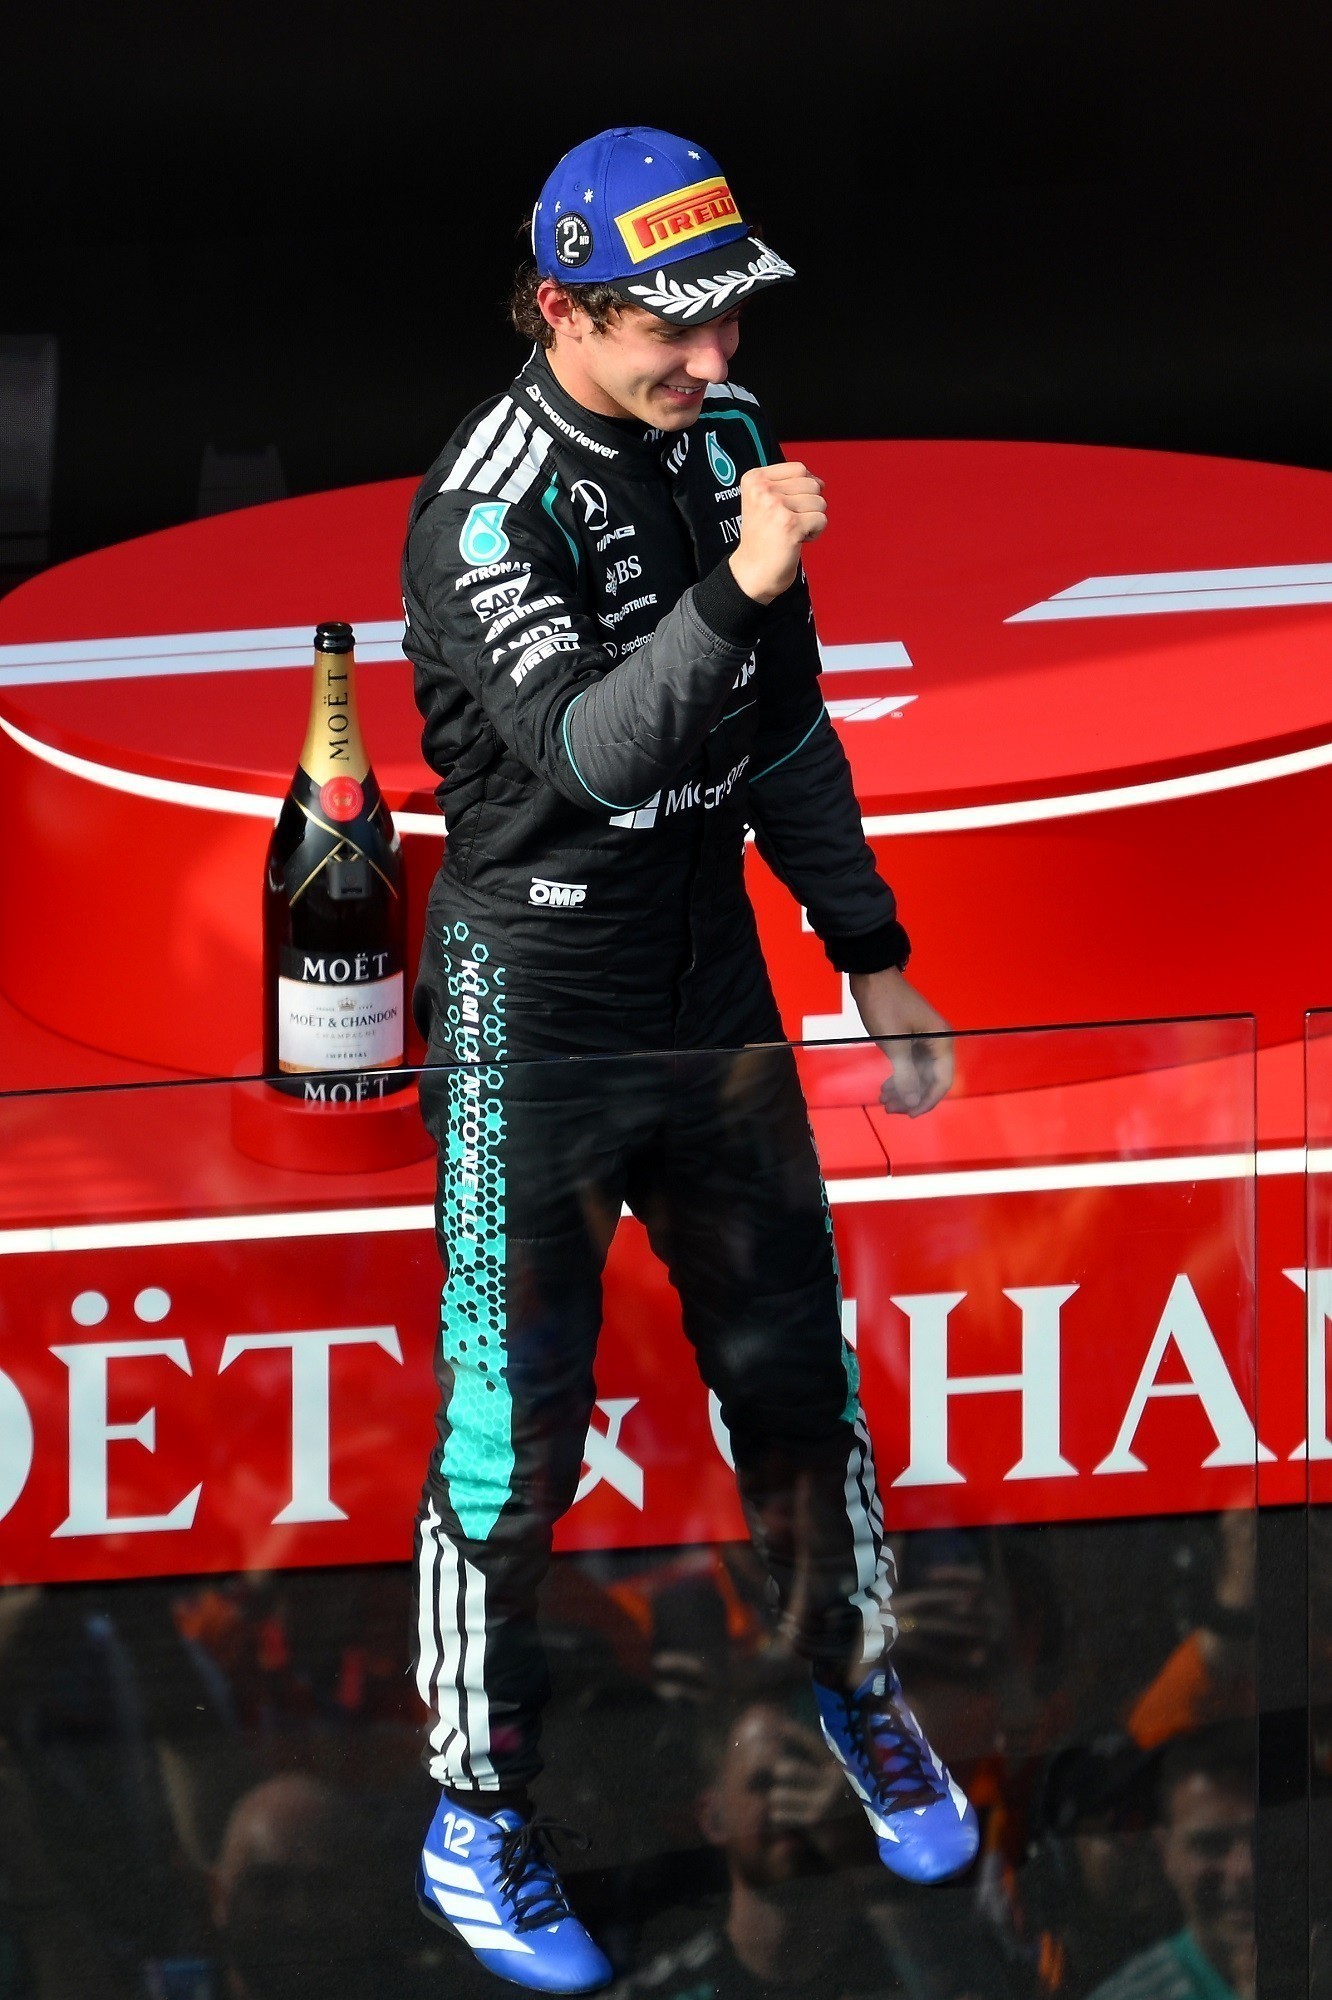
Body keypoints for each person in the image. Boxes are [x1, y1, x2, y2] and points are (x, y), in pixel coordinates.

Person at [402, 125, 979, 1992]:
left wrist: (870, 949)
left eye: (731, 322)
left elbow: (781, 723)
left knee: (798, 1383)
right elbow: (599, 755)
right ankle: (471, 1810)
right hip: (532, 1020)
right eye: (674, 330)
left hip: (713, 993)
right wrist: (738, 579)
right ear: (560, 309)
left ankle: (857, 1689)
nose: (715, 362)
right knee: (514, 1446)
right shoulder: (482, 514)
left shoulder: (727, 436)